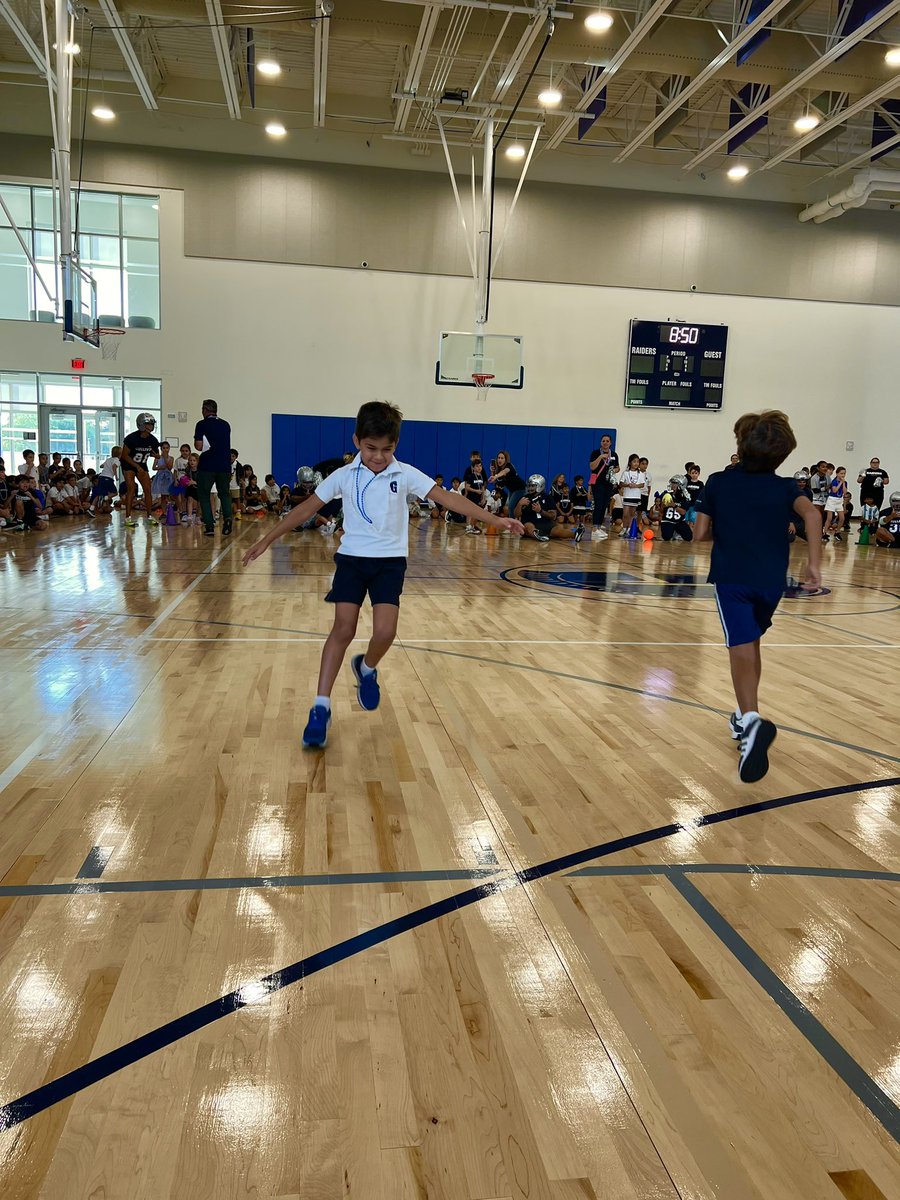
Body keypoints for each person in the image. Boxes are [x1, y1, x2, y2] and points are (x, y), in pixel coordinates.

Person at [241, 400, 524, 748]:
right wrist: (267, 539)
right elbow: (306, 509)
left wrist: (495, 519)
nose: (378, 456)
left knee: (386, 632)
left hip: (389, 563)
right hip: (352, 560)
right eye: (370, 448)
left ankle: (367, 668)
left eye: (386, 449)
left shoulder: (404, 474)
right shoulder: (344, 475)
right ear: (357, 441)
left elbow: (448, 499)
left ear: (396, 445)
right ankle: (320, 707)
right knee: (343, 628)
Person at [693, 410, 822, 783]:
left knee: (740, 646)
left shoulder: (718, 483)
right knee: (753, 642)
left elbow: (699, 534)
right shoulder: (786, 488)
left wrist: (726, 525)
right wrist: (814, 564)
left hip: (732, 578)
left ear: (742, 445)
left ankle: (751, 722)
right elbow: (813, 517)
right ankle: (742, 714)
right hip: (771, 582)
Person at [194, 399, 233, 537]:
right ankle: (228, 519)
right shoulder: (225, 425)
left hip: (207, 465)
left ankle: (209, 526)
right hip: (224, 465)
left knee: (204, 495)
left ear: (205, 410)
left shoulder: (201, 424)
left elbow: (199, 446)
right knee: (224, 494)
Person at [121, 413, 161, 527]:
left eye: (152, 424)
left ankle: (149, 516)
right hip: (128, 464)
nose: (151, 426)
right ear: (141, 424)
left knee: (148, 490)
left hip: (142, 464)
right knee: (131, 488)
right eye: (148, 424)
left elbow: (156, 453)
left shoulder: (153, 440)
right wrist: (137, 467)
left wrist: (156, 456)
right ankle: (128, 517)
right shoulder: (131, 438)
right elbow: (124, 455)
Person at [589, 435, 619, 527]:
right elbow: (592, 467)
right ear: (601, 442)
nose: (605, 443)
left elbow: (617, 467)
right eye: (603, 441)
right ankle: (595, 526)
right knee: (598, 503)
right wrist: (600, 457)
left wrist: (614, 470)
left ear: (610, 443)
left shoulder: (614, 454)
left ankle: (599, 524)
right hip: (598, 482)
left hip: (608, 482)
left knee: (604, 504)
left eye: (607, 441)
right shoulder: (595, 453)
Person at [490, 450, 526, 520]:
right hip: (511, 490)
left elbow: (504, 472)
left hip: (520, 489)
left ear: (506, 460)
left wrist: (496, 476)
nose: (500, 460)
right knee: (511, 507)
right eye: (498, 458)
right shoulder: (498, 469)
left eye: (502, 458)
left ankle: (512, 523)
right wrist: (492, 471)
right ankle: (514, 521)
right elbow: (494, 481)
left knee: (511, 506)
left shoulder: (509, 466)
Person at [618, 453, 645, 536]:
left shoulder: (641, 474)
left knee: (632, 514)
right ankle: (624, 528)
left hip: (636, 496)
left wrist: (635, 486)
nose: (636, 463)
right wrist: (627, 485)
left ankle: (629, 529)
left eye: (637, 462)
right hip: (627, 495)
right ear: (630, 463)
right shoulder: (626, 473)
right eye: (634, 461)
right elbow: (621, 483)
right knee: (625, 513)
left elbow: (642, 484)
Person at [90, 448, 121, 515]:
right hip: (108, 478)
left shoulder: (108, 459)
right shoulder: (117, 460)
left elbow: (101, 466)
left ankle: (91, 508)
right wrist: (116, 476)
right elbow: (114, 466)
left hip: (101, 477)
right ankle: (105, 498)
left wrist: (106, 466)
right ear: (120, 454)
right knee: (115, 493)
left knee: (99, 494)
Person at [463, 453, 487, 533]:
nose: (479, 468)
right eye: (477, 466)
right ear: (473, 468)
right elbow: (467, 487)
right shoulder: (471, 476)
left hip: (478, 498)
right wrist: (475, 491)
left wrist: (483, 497)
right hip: (471, 497)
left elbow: (482, 487)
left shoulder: (481, 476)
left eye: (480, 466)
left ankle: (473, 526)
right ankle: (468, 527)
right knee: (470, 512)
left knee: (476, 513)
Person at [823, 466, 847, 542]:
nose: (843, 475)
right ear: (837, 474)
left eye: (844, 473)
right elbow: (834, 490)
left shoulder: (845, 482)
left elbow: (845, 492)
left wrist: (843, 483)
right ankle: (824, 533)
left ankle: (837, 532)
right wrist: (840, 482)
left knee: (842, 518)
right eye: (841, 473)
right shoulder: (834, 481)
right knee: (829, 518)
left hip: (839, 500)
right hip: (832, 500)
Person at [151, 441, 175, 514]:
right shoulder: (157, 458)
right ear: (161, 449)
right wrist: (160, 467)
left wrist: (165, 458)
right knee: (163, 496)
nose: (165, 450)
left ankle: (171, 510)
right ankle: (164, 512)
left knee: (170, 495)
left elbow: (169, 467)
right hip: (160, 477)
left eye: (167, 448)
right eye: (163, 448)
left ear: (169, 448)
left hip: (168, 477)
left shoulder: (171, 458)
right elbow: (153, 467)